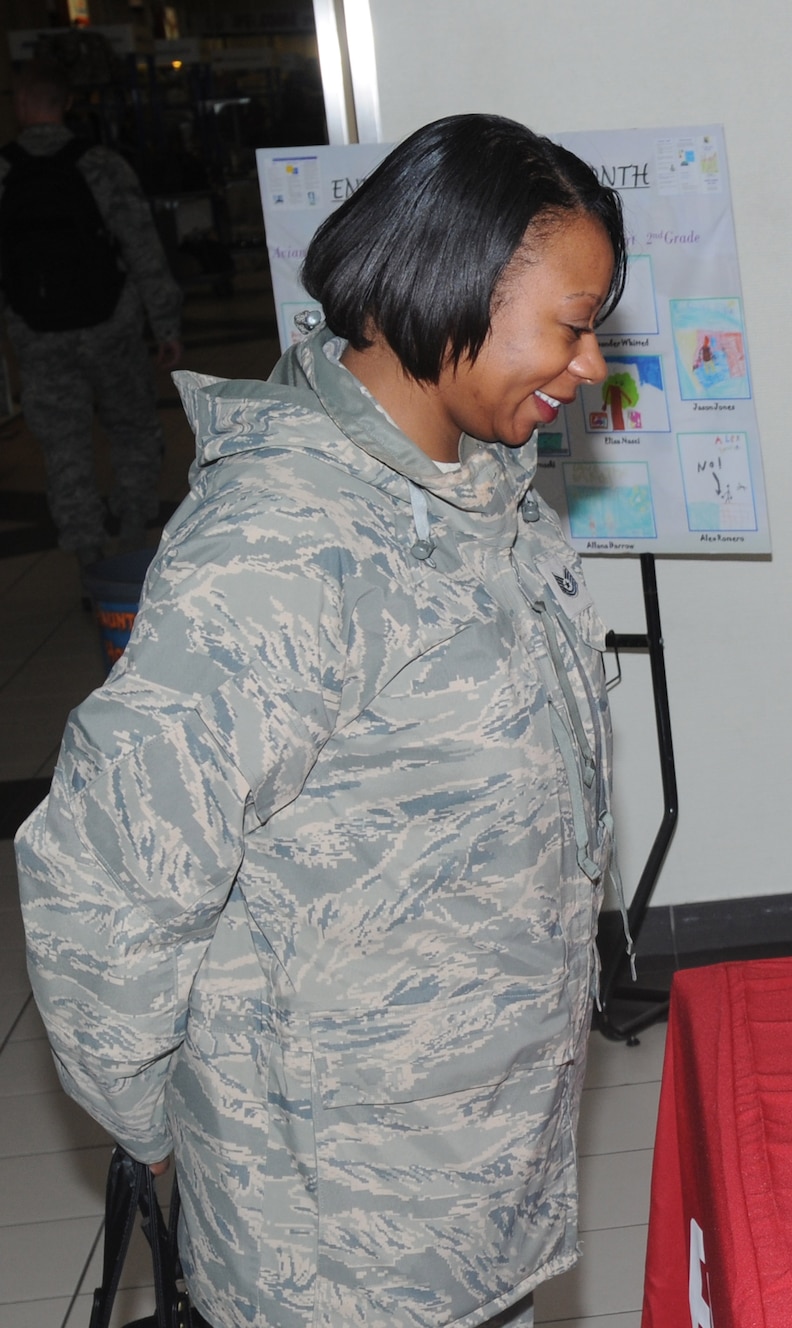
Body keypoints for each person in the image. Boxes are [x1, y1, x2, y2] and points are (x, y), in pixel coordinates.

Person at [17, 114, 624, 1328]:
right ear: (445, 291)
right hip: (347, 1228)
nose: (592, 364)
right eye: (570, 323)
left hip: (474, 1161)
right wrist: (172, 1127)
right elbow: (105, 880)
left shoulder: (475, 494)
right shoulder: (285, 545)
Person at [1, 60, 182, 566]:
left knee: (64, 448)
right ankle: (131, 535)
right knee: (133, 431)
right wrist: (165, 324)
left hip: (38, 337)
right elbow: (143, 250)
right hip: (112, 329)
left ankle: (86, 556)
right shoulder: (101, 165)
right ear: (67, 104)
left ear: (20, 104)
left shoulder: (4, 171)